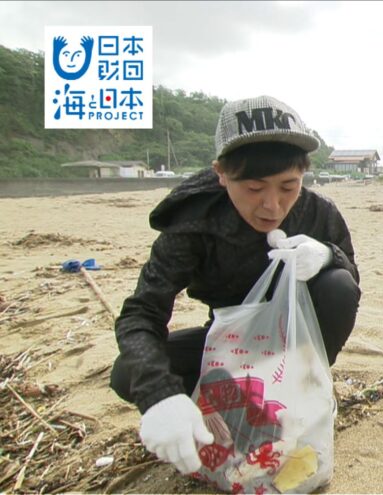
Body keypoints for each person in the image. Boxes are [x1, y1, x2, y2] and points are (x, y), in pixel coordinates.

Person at [110, 95, 361, 474]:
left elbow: (351, 280)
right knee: (129, 373)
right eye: (254, 189)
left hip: (292, 342)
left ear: (304, 174)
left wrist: (328, 255)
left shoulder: (317, 212)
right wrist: (161, 396)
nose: (272, 207)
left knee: (339, 286)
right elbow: (141, 312)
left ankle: (306, 390)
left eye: (288, 186)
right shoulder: (193, 223)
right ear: (221, 173)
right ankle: (198, 411)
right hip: (225, 344)